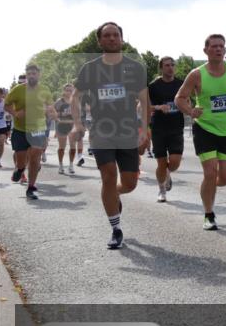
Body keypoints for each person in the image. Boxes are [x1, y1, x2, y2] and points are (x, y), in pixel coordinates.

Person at [72, 22, 150, 248]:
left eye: (116, 35)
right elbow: (74, 97)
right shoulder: (90, 68)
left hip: (127, 130)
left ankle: (113, 195)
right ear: (100, 41)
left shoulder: (135, 67)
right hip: (101, 130)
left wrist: (145, 129)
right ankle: (115, 228)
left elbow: (145, 100)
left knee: (129, 183)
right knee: (107, 175)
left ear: (122, 39)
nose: (112, 38)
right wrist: (78, 124)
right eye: (107, 35)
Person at [175, 33, 226, 230]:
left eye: (221, 46)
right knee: (210, 172)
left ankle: (207, 188)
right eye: (214, 46)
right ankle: (209, 214)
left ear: (225, 49)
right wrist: (191, 111)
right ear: (206, 50)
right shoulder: (197, 74)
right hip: (205, 128)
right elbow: (179, 98)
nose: (218, 49)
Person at [4, 65, 55, 199]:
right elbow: (6, 105)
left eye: (34, 73)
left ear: (39, 75)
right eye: (29, 73)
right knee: (21, 160)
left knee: (35, 159)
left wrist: (52, 113)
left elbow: (50, 106)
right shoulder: (18, 90)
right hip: (20, 129)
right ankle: (20, 169)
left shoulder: (44, 89)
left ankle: (31, 187)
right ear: (27, 75)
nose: (32, 75)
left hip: (38, 129)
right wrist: (15, 113)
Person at [147, 56, 185, 202]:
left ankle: (168, 172)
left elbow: (186, 100)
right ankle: (162, 190)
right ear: (161, 68)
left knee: (174, 162)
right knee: (161, 164)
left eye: (172, 65)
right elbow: (144, 106)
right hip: (159, 128)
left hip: (176, 127)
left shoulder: (181, 84)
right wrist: (158, 107)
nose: (170, 67)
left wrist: (190, 110)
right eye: (167, 65)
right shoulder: (153, 86)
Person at [53, 84, 78, 174]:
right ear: (63, 91)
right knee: (62, 147)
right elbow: (53, 113)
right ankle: (61, 165)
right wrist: (58, 117)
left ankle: (71, 165)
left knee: (73, 147)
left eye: (70, 90)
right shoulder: (59, 102)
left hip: (72, 126)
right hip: (62, 126)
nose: (68, 92)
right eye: (67, 90)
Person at [0, 87, 8, 168]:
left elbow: (9, 114)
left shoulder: (5, 103)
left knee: (1, 144)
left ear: (2, 95)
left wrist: (8, 117)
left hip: (2, 126)